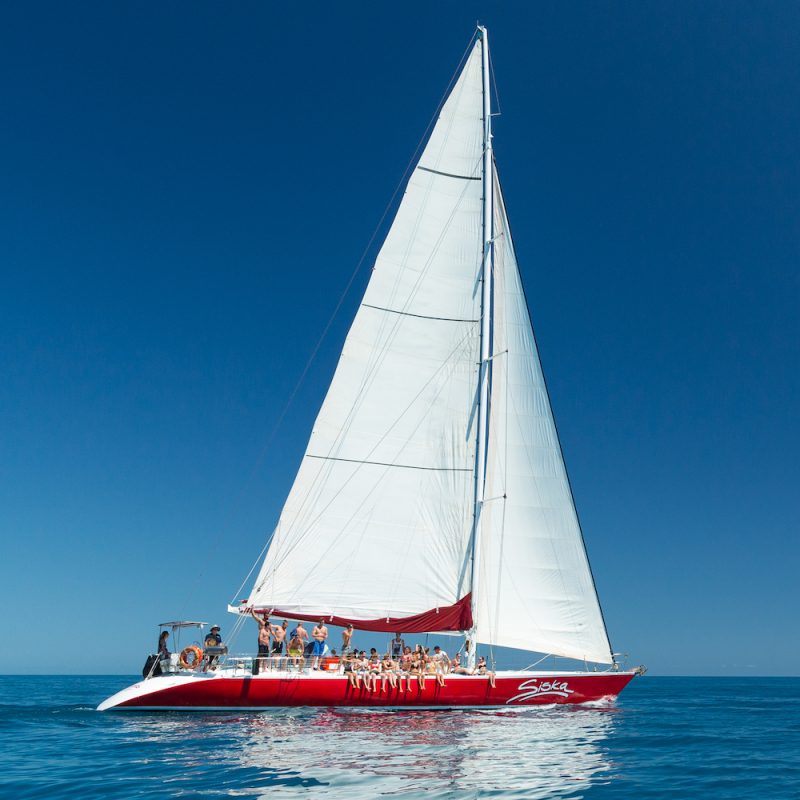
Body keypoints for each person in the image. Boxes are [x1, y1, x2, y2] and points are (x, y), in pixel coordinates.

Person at [249, 609, 272, 675]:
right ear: (264, 615)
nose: (268, 616)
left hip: (267, 640)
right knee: (261, 654)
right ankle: (258, 667)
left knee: (266, 654)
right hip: (261, 639)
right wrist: (252, 609)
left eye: (268, 615)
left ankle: (264, 668)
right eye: (267, 614)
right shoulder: (261, 621)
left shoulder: (269, 623)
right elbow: (254, 616)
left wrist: (275, 637)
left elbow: (271, 631)